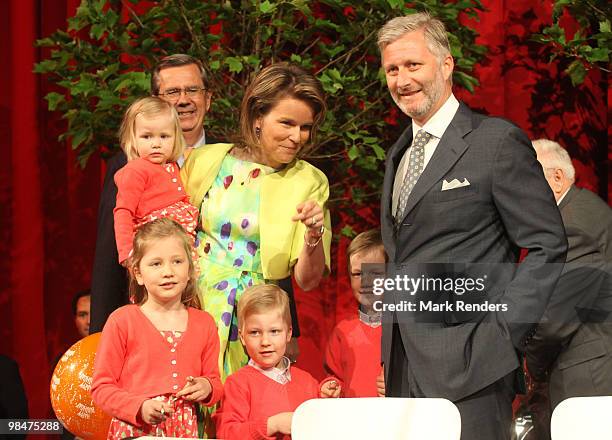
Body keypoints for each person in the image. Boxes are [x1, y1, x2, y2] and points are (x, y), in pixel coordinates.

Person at [376, 13, 567, 440]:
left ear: (446, 65)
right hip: (404, 367)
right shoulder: (399, 153)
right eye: (392, 69)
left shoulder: (495, 141)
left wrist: (503, 335)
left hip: (473, 368)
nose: (402, 79)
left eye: (413, 65)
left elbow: (547, 243)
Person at [181, 63, 332, 379]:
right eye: (287, 123)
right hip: (194, 304)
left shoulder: (309, 181)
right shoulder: (206, 160)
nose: (297, 137)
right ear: (258, 117)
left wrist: (313, 237)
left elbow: (307, 279)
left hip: (257, 317)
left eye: (305, 127)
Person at [89, 54, 216, 333]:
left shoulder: (229, 158)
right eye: (172, 92)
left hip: (218, 315)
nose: (183, 100)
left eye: (192, 89)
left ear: (208, 98)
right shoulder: (127, 166)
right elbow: (110, 251)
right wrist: (100, 331)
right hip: (149, 315)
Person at [91, 218, 223, 438]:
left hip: (184, 429)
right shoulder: (122, 321)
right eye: (156, 264)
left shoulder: (204, 323)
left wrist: (206, 386)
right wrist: (139, 407)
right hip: (135, 430)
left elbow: (215, 382)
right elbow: (101, 388)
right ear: (139, 274)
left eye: (177, 261)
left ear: (190, 268)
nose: (168, 272)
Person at [525, 139, 612, 428]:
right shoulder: (582, 211)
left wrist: (530, 365)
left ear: (557, 178)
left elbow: (555, 319)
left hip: (589, 380)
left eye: (524, 179)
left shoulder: (573, 224)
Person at [215, 284, 340, 439]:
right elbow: (227, 433)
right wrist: (272, 425)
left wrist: (326, 396)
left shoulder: (307, 381)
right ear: (242, 337)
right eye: (255, 333)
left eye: (274, 331)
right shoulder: (238, 383)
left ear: (288, 334)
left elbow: (322, 424)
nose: (265, 341)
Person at [113, 96, 199, 265]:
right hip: (155, 246)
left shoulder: (172, 167)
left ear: (176, 138)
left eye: (164, 136)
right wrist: (126, 252)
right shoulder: (135, 170)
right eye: (147, 137)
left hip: (182, 246)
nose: (156, 144)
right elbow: (123, 211)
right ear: (133, 139)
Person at [324, 229, 386, 397]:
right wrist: (329, 388)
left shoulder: (403, 330)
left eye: (375, 273)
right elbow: (334, 377)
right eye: (358, 274)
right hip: (352, 419)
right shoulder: (342, 331)